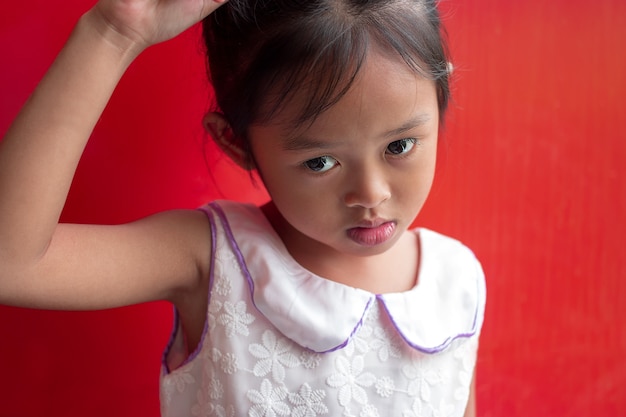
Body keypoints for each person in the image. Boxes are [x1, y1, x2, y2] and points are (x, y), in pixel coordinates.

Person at [0, 0, 486, 415]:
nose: (372, 193)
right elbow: (12, 264)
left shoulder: (457, 283)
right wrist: (111, 33)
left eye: (400, 146)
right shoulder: (213, 260)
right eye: (319, 161)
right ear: (237, 145)